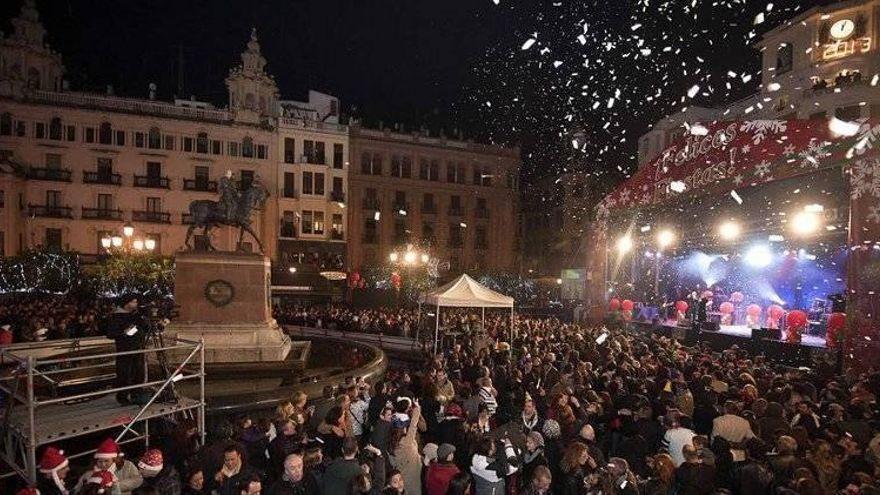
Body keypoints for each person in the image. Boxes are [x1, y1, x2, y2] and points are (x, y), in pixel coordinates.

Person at [105, 294, 148, 405]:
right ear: (126, 303)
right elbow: (110, 333)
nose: (136, 304)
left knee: (138, 372)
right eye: (133, 302)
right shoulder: (116, 316)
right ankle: (123, 396)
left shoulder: (136, 315)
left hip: (137, 348)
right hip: (125, 349)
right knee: (125, 374)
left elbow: (145, 328)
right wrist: (124, 333)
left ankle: (137, 394)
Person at [75, 438, 143, 495]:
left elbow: (138, 479)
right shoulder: (90, 473)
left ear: (114, 459)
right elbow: (77, 489)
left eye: (106, 461)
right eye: (100, 462)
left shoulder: (127, 465)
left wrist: (117, 485)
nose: (103, 464)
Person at [390, 400, 423, 495]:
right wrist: (417, 408)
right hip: (414, 477)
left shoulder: (391, 444)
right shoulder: (406, 441)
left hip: (403, 478)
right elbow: (413, 425)